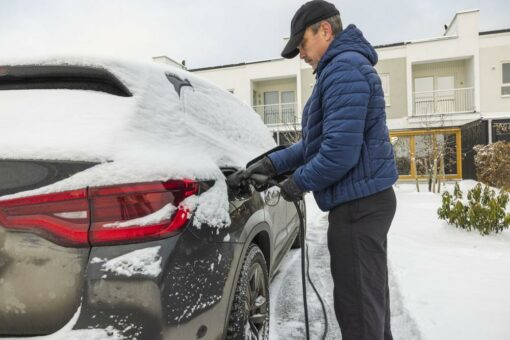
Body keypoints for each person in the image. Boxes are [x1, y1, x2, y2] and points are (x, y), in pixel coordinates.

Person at [244, 1, 399, 339]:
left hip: (359, 207)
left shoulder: (344, 70)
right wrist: (273, 164)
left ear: (325, 30)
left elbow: (339, 154)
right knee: (367, 305)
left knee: (359, 311)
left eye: (303, 43)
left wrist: (296, 184)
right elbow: (315, 145)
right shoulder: (340, 69)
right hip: (362, 202)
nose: (301, 53)